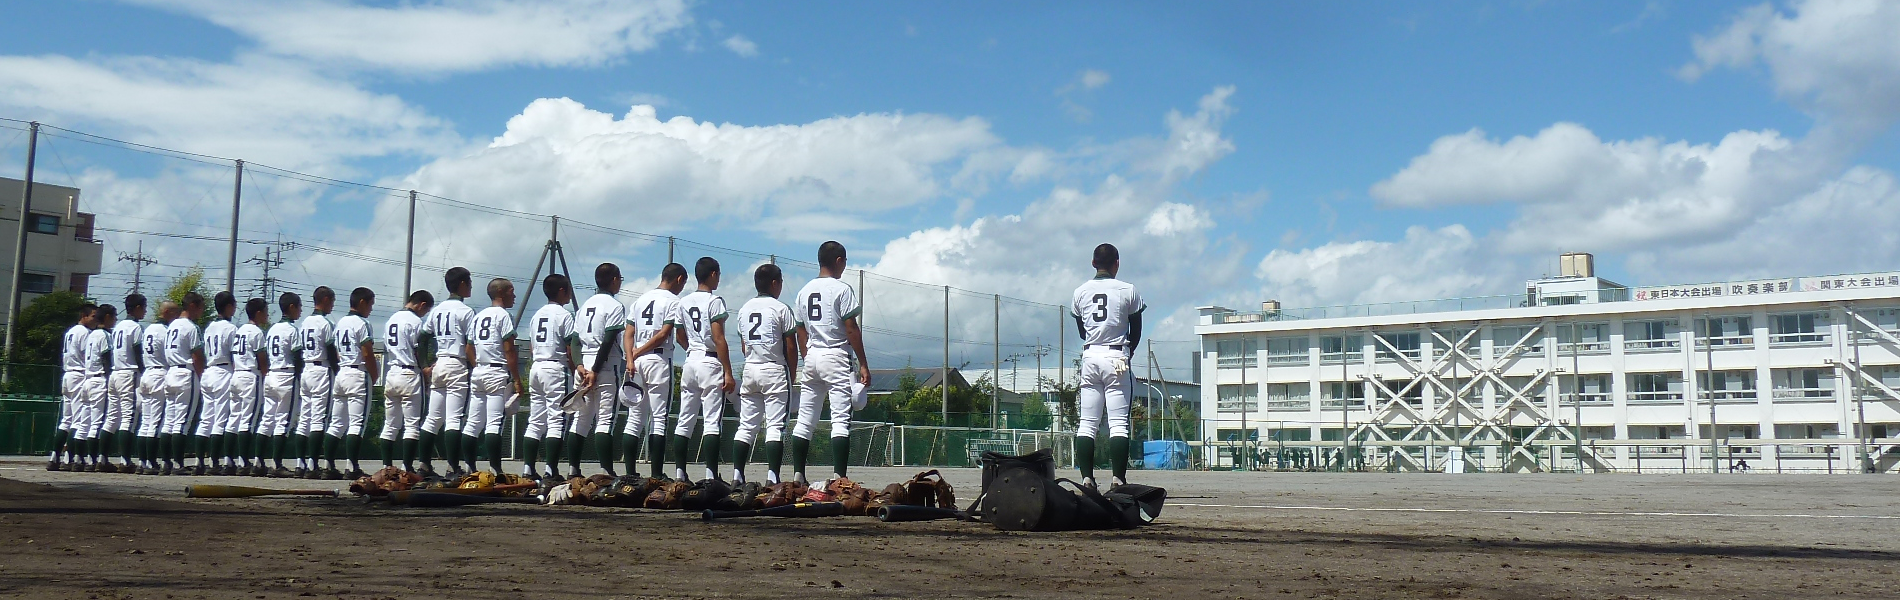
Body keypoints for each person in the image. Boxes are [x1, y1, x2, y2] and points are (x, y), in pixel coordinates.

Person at [790, 241, 871, 484]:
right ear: (838, 260)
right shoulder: (842, 289)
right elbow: (851, 328)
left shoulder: (804, 291)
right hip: (835, 354)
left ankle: (798, 475)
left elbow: (800, 330)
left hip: (812, 355)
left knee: (805, 420)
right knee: (840, 420)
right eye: (844, 262)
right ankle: (839, 478)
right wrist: (864, 363)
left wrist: (808, 357)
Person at [1070, 243, 1144, 488]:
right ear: (1117, 263)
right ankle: (1118, 480)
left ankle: (1086, 479)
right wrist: (1128, 351)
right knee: (1118, 423)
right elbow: (1136, 329)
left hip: (1090, 356)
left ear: (1093, 263)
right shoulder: (1127, 289)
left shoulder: (1080, 292)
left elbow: (1082, 330)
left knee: (1087, 423)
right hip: (1117, 357)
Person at [672, 257, 735, 482]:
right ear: (713, 274)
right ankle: (710, 474)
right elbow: (719, 339)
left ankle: (680, 472)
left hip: (691, 360)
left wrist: (691, 349)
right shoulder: (715, 300)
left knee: (684, 419)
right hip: (710, 362)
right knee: (711, 420)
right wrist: (728, 371)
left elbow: (679, 332)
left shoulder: (683, 301)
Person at [733, 263, 797, 484]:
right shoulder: (781, 308)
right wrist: (793, 371)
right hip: (774, 368)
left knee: (746, 425)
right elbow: (791, 345)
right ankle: (772, 477)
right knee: (775, 426)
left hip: (750, 367)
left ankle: (737, 476)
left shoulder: (744, 309)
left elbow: (743, 345)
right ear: (774, 283)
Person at [623, 263, 688, 478]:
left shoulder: (640, 300)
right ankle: (656, 474)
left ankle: (630, 473)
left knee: (635, 418)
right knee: (659, 417)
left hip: (636, 362)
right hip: (658, 358)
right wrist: (639, 352)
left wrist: (631, 357)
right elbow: (664, 334)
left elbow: (629, 333)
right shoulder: (673, 301)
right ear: (679, 279)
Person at [571, 263, 628, 478]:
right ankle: (606, 470)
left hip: (583, 364)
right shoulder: (614, 305)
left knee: (581, 419)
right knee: (605, 420)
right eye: (619, 278)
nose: (620, 282)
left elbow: (575, 341)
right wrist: (595, 369)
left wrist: (579, 366)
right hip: (603, 366)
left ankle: (573, 469)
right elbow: (608, 339)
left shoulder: (585, 306)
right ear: (614, 279)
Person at [422, 267, 476, 476]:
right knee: (453, 418)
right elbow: (471, 343)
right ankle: (453, 467)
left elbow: (423, 337)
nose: (471, 286)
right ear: (461, 284)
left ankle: (424, 464)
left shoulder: (438, 309)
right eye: (469, 282)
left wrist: (424, 364)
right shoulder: (465, 311)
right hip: (457, 362)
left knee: (433, 418)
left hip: (440, 362)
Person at [526, 274, 579, 481]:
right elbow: (569, 348)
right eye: (568, 289)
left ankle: (528, 469)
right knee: (557, 420)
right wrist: (576, 371)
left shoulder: (536, 315)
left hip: (536, 366)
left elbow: (531, 346)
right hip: (555, 368)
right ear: (561, 291)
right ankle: (551, 470)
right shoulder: (564, 315)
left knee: (535, 420)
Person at [468, 278, 523, 475]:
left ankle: (469, 468)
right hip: (496, 370)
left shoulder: (478, 316)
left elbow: (468, 347)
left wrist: (478, 366)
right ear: (501, 293)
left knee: (472, 423)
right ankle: (495, 469)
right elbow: (509, 350)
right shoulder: (503, 315)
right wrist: (516, 378)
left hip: (479, 370)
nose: (514, 295)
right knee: (494, 422)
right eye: (511, 291)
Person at [327, 287, 378, 479]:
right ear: (362, 302)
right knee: (357, 423)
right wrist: (373, 376)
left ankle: (328, 465)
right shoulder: (362, 323)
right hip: (357, 372)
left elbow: (333, 349)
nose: (371, 309)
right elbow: (367, 353)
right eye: (370, 304)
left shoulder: (340, 323)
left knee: (336, 423)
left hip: (342, 372)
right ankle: (352, 466)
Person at [381, 290, 432, 472]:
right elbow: (419, 350)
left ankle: (387, 467)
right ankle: (407, 468)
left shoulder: (391, 320)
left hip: (392, 371)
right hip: (410, 373)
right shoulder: (416, 322)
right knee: (412, 425)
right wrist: (426, 372)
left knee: (390, 425)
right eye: (425, 310)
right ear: (422, 305)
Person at [259, 293, 303, 477]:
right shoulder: (292, 330)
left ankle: (257, 462)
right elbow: (297, 357)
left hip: (271, 375)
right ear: (291, 307)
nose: (300, 310)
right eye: (299, 306)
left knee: (267, 419)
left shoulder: (272, 329)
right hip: (286, 375)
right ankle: (276, 465)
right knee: (283, 421)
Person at [195, 292, 238, 475]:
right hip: (223, 371)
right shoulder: (230, 328)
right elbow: (234, 354)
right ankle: (214, 462)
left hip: (208, 371)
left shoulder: (209, 327)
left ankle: (199, 462)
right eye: (233, 305)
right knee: (220, 419)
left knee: (206, 418)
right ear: (228, 306)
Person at [296, 287, 337, 479]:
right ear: (326, 299)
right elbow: (330, 351)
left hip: (306, 369)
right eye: (332, 301)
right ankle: (312, 465)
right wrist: (337, 371)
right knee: (318, 418)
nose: (333, 305)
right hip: (321, 369)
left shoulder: (305, 322)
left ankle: (300, 464)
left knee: (305, 417)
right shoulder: (325, 322)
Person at [49, 303, 96, 471]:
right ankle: (69, 458)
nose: (95, 319)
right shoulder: (84, 333)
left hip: (68, 374)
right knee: (78, 419)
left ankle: (54, 457)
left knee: (66, 419)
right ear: (84, 316)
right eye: (93, 316)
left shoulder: (71, 331)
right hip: (78, 374)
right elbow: (87, 356)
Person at [165, 293, 204, 475]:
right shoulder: (191, 327)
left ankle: (166, 462)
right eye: (201, 307)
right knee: (182, 421)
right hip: (185, 373)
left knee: (169, 421)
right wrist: (201, 376)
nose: (202, 311)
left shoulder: (172, 325)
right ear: (193, 305)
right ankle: (178, 464)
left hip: (170, 371)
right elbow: (197, 356)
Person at [107, 295, 147, 473]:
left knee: (112, 417)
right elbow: (138, 353)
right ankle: (125, 461)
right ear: (137, 307)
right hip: (128, 373)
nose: (145, 311)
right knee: (129, 418)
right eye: (144, 307)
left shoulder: (118, 327)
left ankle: (100, 458)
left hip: (115, 373)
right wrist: (144, 371)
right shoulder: (135, 327)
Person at [229, 298, 269, 475]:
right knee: (247, 419)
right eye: (266, 311)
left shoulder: (240, 330)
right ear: (258, 313)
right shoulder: (256, 332)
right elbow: (262, 359)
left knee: (234, 419)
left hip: (236, 374)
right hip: (250, 375)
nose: (267, 315)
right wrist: (266, 374)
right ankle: (244, 462)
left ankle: (229, 460)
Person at [137, 302, 176, 474]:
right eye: (174, 313)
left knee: (145, 422)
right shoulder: (165, 331)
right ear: (167, 312)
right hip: (159, 374)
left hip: (146, 373)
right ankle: (151, 463)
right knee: (155, 422)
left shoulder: (149, 329)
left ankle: (142, 461)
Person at [78, 305, 115, 471]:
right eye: (114, 316)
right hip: (99, 379)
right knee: (97, 422)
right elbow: (107, 359)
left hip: (87, 379)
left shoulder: (91, 334)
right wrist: (110, 379)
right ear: (107, 317)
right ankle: (94, 461)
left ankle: (78, 460)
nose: (115, 320)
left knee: (83, 423)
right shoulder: (105, 335)